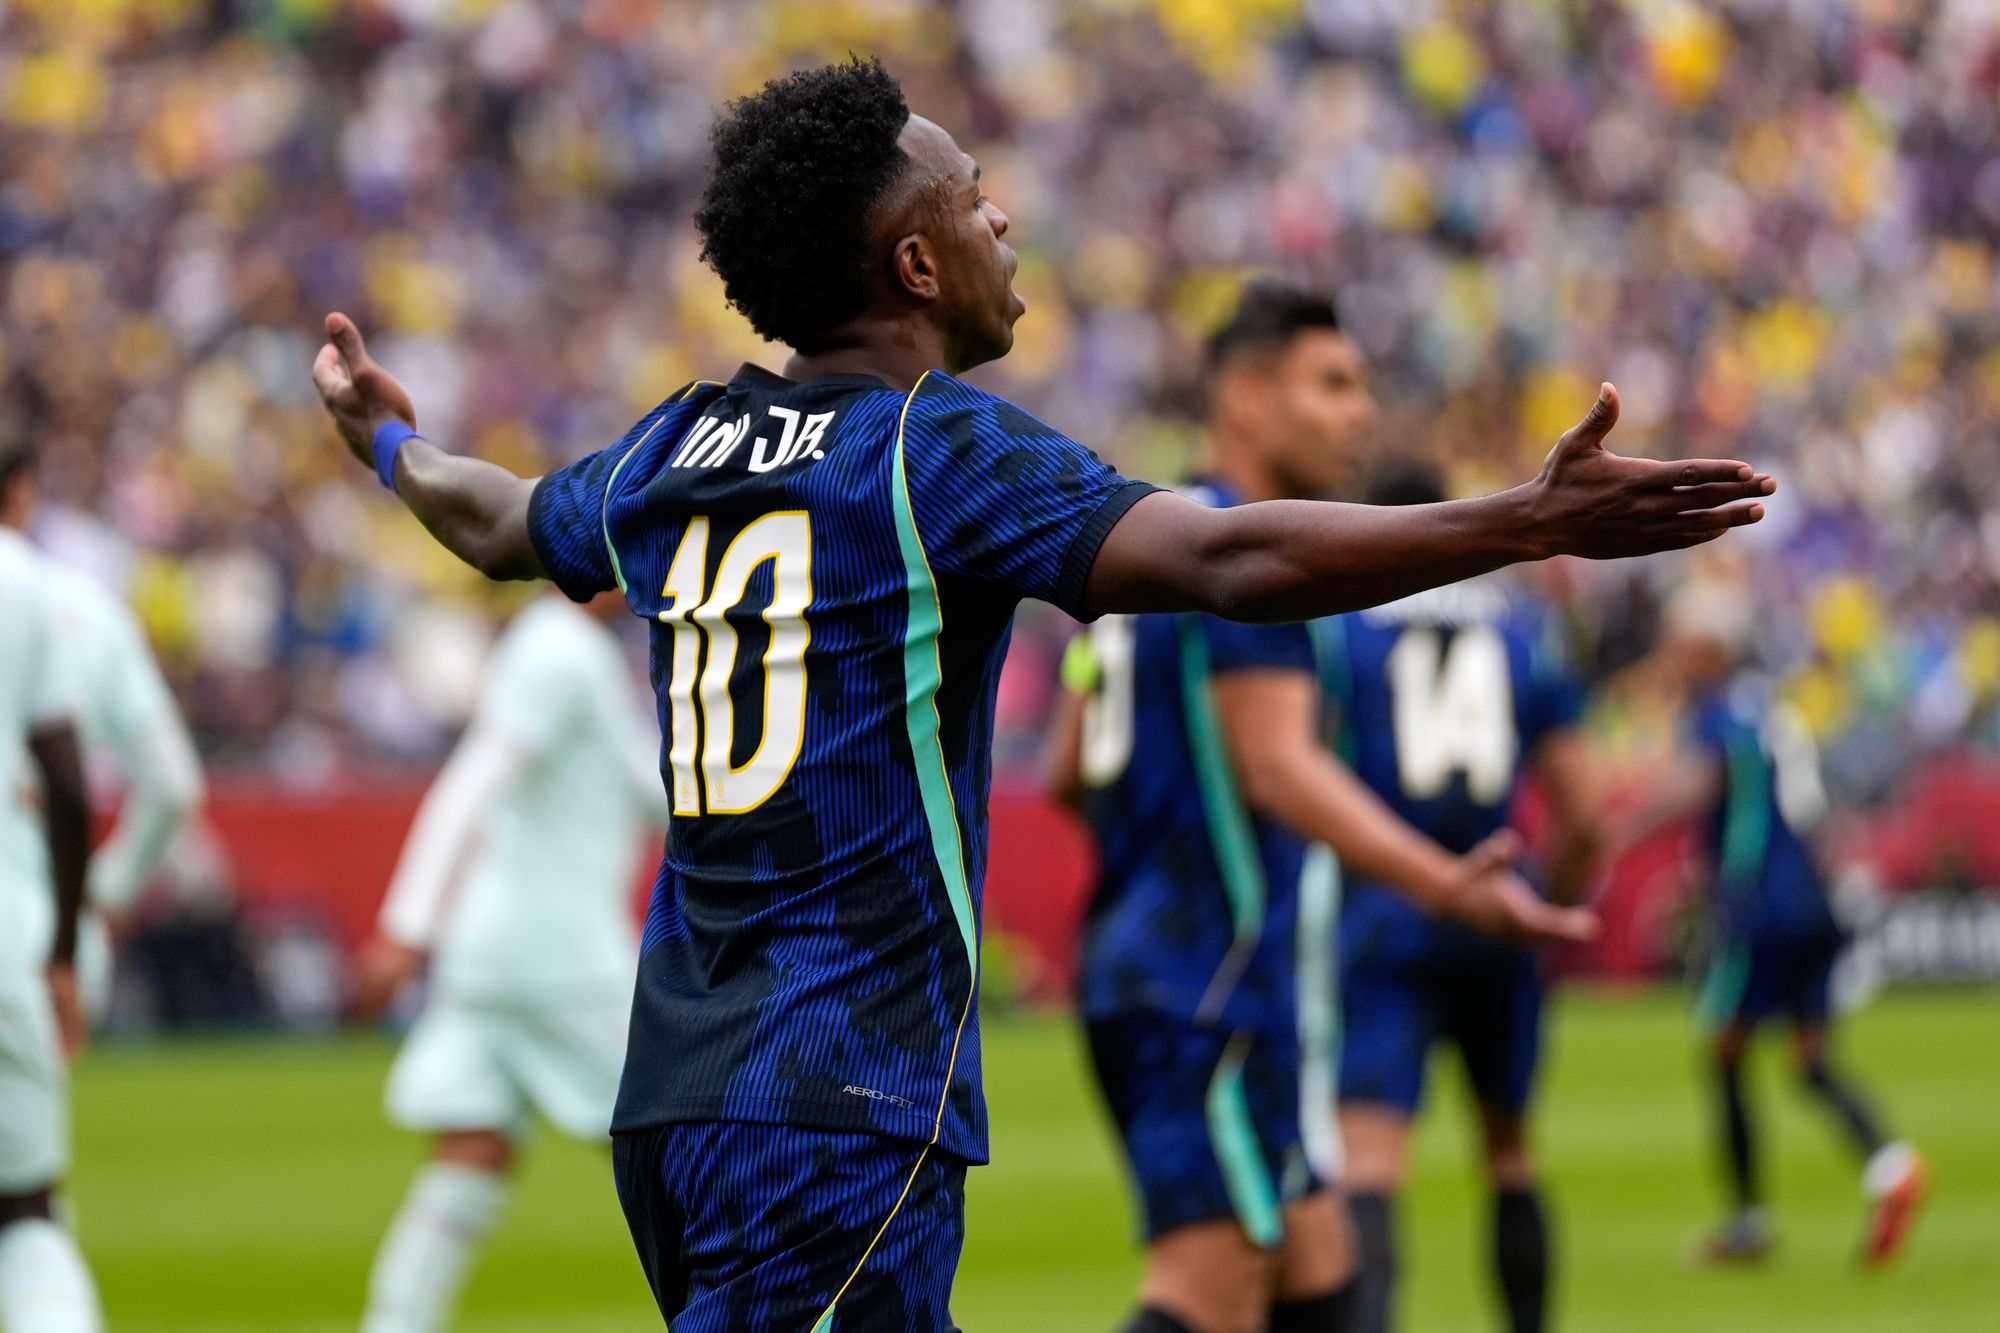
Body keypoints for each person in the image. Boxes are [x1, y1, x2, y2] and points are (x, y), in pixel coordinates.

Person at [308, 56, 1771, 1332]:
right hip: (834, 1101)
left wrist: (388, 449)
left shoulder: (672, 447)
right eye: (972, 197)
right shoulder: (930, 452)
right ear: (916, 266)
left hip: (682, 1096)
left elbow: (497, 519)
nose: (1002, 219)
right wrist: (1522, 519)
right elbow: (1229, 558)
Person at [1051, 287, 1595, 1333]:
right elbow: (1276, 765)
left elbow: (1073, 770)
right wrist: (1446, 883)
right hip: (1206, 979)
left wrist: (1157, 844)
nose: (1361, 412)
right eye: (1333, 384)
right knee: (1206, 1295)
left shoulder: (1147, 537)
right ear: (1248, 399)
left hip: (1174, 964)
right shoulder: (1242, 552)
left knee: (1323, 1275)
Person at [1322, 466, 1601, 1333]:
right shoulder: (1519, 624)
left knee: (1368, 1158)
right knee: (1510, 1151)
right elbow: (1586, 814)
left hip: (1385, 903)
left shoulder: (1344, 619)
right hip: (1497, 909)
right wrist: (1544, 912)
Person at [354, 588, 667, 1333]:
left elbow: (648, 793)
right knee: (680, 1146)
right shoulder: (559, 652)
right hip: (561, 959)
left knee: (471, 1151)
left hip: (490, 958)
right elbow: (468, 787)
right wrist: (406, 926)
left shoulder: (564, 648)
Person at [1620, 585, 1925, 1268]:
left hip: (1759, 908)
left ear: (1710, 649)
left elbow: (1699, 787)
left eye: (1678, 642)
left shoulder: (1718, 711)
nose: (1670, 654)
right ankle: (1893, 1166)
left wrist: (1614, 835)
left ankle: (1748, 1221)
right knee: (1810, 1062)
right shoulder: (1768, 706)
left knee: (1724, 1049)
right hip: (1811, 899)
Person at [0, 441, 205, 1025]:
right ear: (21, 489)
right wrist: (106, 893)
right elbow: (173, 786)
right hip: (31, 920)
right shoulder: (80, 607)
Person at [0, 448, 101, 1330]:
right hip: (6, 934)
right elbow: (69, 786)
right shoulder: (21, 580)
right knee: (25, 1212)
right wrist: (64, 951)